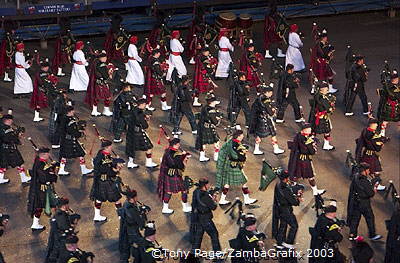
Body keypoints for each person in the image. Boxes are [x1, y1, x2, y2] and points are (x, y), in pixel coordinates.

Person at [216, 130, 257, 205]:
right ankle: (247, 199)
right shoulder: (235, 145)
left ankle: (222, 199)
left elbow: (224, 151)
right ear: (238, 136)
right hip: (234, 166)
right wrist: (243, 155)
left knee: (227, 183)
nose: (243, 137)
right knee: (244, 181)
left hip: (229, 165)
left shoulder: (230, 141)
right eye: (241, 136)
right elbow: (236, 156)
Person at [347, 162, 382, 241]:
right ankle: (372, 235)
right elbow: (371, 193)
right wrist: (374, 188)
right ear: (364, 171)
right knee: (370, 218)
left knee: (355, 219)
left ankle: (352, 235)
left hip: (355, 202)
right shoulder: (364, 181)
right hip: (364, 203)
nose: (369, 171)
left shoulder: (355, 177)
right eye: (368, 170)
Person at [90, 140, 123, 222]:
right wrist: (116, 169)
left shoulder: (104, 154)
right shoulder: (102, 157)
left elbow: (109, 164)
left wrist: (116, 162)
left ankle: (97, 216)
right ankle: (121, 216)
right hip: (106, 181)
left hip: (102, 181)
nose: (112, 147)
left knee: (99, 198)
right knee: (117, 198)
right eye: (110, 146)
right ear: (107, 147)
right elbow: (105, 169)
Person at [287, 123, 325, 195]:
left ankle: (293, 190)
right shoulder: (303, 139)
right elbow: (309, 151)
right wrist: (311, 145)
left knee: (296, 175)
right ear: (304, 130)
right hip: (303, 161)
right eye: (309, 129)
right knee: (310, 176)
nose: (310, 130)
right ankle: (314, 191)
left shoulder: (299, 136)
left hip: (299, 159)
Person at [27, 147, 58, 231]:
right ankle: (55, 220)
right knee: (45, 204)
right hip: (42, 188)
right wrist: (53, 170)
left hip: (40, 187)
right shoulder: (41, 164)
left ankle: (35, 223)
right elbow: (44, 177)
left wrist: (51, 166)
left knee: (41, 205)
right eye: (48, 153)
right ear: (44, 155)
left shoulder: (39, 161)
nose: (49, 155)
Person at [157, 138, 192, 214]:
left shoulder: (169, 151)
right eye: (178, 144)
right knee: (184, 189)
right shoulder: (171, 153)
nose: (179, 145)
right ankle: (185, 206)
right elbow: (176, 164)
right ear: (175, 145)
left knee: (169, 191)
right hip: (173, 174)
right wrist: (184, 157)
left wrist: (183, 156)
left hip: (169, 174)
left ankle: (165, 207)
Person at [249, 83, 284, 155]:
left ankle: (257, 149)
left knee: (259, 134)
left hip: (258, 119)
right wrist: (273, 110)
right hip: (264, 120)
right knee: (272, 133)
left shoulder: (259, 98)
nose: (271, 94)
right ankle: (275, 148)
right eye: (271, 92)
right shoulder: (265, 100)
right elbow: (270, 112)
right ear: (267, 92)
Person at [58, 106, 93, 176]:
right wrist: (80, 133)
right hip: (71, 140)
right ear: (69, 112)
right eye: (72, 111)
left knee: (65, 154)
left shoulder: (63, 118)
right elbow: (73, 132)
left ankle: (62, 169)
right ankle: (83, 170)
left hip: (65, 139)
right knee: (80, 153)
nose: (73, 111)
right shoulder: (70, 121)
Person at [190, 178, 221, 256]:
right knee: (214, 234)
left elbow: (194, 204)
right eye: (207, 185)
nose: (209, 186)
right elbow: (213, 207)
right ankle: (217, 255)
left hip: (198, 217)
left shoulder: (196, 192)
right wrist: (213, 199)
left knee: (198, 235)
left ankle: (194, 252)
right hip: (206, 219)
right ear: (204, 186)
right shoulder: (205, 196)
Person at [355, 118, 387, 190]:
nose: (377, 125)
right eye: (375, 124)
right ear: (372, 124)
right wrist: (380, 144)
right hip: (369, 155)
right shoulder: (369, 134)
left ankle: (374, 183)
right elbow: (374, 146)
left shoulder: (368, 131)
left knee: (374, 169)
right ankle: (375, 184)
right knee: (374, 170)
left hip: (371, 154)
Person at [272, 170, 300, 249]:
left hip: (279, 210)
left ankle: (280, 242)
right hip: (286, 210)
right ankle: (289, 242)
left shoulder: (278, 184)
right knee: (294, 226)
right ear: (286, 178)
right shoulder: (285, 188)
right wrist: (298, 197)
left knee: (283, 225)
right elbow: (294, 202)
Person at [125, 98, 158, 168]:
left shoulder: (133, 109)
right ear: (142, 104)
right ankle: (149, 162)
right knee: (149, 147)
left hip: (130, 132)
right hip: (138, 132)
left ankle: (130, 163)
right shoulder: (140, 114)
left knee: (131, 147)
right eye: (145, 105)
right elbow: (145, 126)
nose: (145, 106)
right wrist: (147, 119)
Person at [45, 197, 79, 263]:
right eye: (67, 204)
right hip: (60, 243)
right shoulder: (61, 217)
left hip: (57, 241)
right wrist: (74, 224)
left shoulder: (60, 214)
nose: (68, 206)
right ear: (64, 206)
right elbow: (66, 230)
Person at [0, 114, 31, 185]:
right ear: (8, 120)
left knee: (3, 164)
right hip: (10, 149)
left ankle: (0, 179)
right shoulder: (6, 129)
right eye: (11, 120)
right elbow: (9, 139)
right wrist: (17, 135)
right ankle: (24, 178)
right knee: (20, 163)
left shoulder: (2, 126)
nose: (12, 121)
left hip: (2, 149)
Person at [118, 188, 147, 263]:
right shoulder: (131, 209)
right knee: (141, 244)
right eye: (136, 197)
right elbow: (141, 223)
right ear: (132, 198)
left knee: (126, 245)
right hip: (132, 231)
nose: (137, 198)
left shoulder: (126, 203)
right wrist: (144, 214)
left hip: (127, 229)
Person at [308, 82, 336, 151]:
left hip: (315, 116)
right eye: (325, 89)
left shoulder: (317, 96)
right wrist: (330, 108)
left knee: (313, 130)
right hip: (322, 117)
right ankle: (326, 145)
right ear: (321, 90)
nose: (327, 90)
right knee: (327, 130)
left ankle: (310, 144)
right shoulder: (322, 98)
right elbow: (326, 108)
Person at [85, 51, 113, 117]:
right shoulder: (102, 65)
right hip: (101, 83)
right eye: (105, 57)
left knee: (96, 96)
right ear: (101, 58)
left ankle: (94, 111)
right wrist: (110, 72)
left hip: (96, 82)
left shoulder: (95, 63)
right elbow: (106, 76)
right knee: (107, 96)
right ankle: (105, 110)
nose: (106, 59)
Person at [195, 94, 222, 162]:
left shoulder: (204, 107)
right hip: (209, 128)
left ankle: (202, 156)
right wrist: (218, 118)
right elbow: (215, 122)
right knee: (217, 141)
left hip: (202, 126)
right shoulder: (212, 111)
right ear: (212, 102)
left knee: (203, 142)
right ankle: (216, 156)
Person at [310, 29, 336, 93]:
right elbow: (323, 55)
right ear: (323, 38)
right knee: (328, 74)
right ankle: (329, 88)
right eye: (326, 37)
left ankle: (314, 89)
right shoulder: (320, 45)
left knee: (317, 75)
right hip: (322, 62)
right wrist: (330, 53)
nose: (327, 38)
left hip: (320, 62)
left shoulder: (320, 44)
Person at [377, 70, 399, 136]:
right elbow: (393, 96)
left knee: (384, 121)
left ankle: (381, 133)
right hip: (391, 107)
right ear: (395, 79)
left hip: (386, 106)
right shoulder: (392, 87)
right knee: (384, 121)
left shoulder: (387, 85)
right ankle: (381, 133)